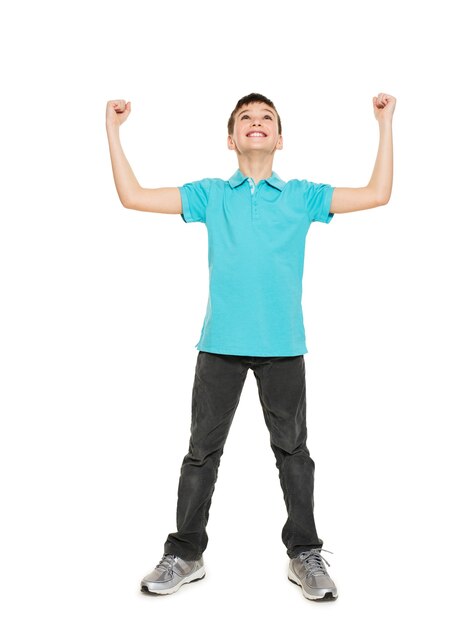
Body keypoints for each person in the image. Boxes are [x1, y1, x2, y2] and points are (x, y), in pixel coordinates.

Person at [105, 92, 396, 601]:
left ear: (279, 139)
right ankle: (185, 553)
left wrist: (384, 122)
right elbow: (133, 196)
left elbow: (377, 193)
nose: (256, 123)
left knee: (293, 453)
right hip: (219, 347)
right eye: (246, 118)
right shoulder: (212, 194)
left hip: (284, 347)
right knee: (201, 453)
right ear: (232, 139)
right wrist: (114, 131)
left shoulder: (302, 195)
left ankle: (304, 552)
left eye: (266, 119)